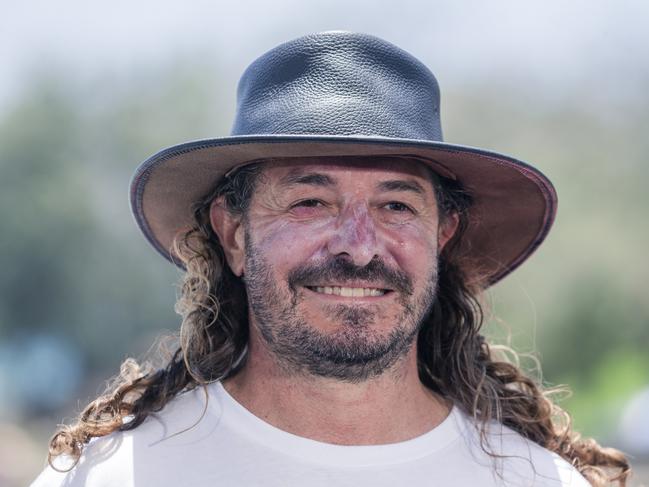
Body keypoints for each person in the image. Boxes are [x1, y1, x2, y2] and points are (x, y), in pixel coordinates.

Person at [33, 31, 630, 486]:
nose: (359, 245)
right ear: (234, 234)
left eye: (396, 205)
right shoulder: (113, 477)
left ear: (442, 237)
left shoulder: (533, 481)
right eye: (311, 201)